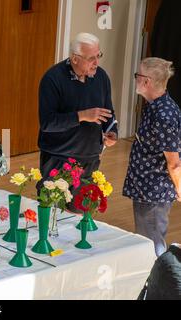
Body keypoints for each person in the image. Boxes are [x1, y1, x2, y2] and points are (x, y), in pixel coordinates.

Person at [37, 32, 118, 195]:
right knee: (54, 213)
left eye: (98, 55)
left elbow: (108, 113)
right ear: (75, 59)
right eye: (91, 58)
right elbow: (47, 123)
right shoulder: (53, 79)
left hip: (90, 158)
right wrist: (82, 116)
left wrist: (112, 132)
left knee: (81, 214)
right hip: (58, 158)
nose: (96, 63)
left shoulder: (101, 77)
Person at [123, 57, 181, 257]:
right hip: (144, 188)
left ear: (146, 81)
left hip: (153, 193)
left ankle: (156, 284)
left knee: (151, 242)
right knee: (145, 238)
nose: (136, 79)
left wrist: (180, 188)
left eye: (137, 75)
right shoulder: (154, 106)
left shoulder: (164, 115)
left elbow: (174, 163)